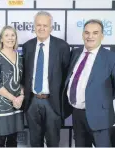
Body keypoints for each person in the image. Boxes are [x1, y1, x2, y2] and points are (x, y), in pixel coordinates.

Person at [62, 19, 115, 147]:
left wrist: (102, 99)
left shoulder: (112, 58)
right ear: (82, 35)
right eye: (87, 32)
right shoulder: (75, 53)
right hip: (77, 113)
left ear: (102, 36)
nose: (90, 36)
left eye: (95, 33)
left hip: (99, 114)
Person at [22, 11, 70, 147]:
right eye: (38, 25)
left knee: (53, 141)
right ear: (34, 26)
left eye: (45, 25)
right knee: (35, 141)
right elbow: (24, 74)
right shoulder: (27, 46)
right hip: (32, 102)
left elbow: (67, 76)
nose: (41, 28)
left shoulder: (62, 47)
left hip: (52, 103)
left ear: (51, 27)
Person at [0, 26, 24, 147]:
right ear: (1, 39)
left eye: (13, 35)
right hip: (2, 106)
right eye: (7, 35)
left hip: (17, 105)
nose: (10, 38)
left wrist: (22, 97)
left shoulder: (19, 57)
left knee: (13, 142)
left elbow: (22, 81)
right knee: (0, 142)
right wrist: (14, 99)